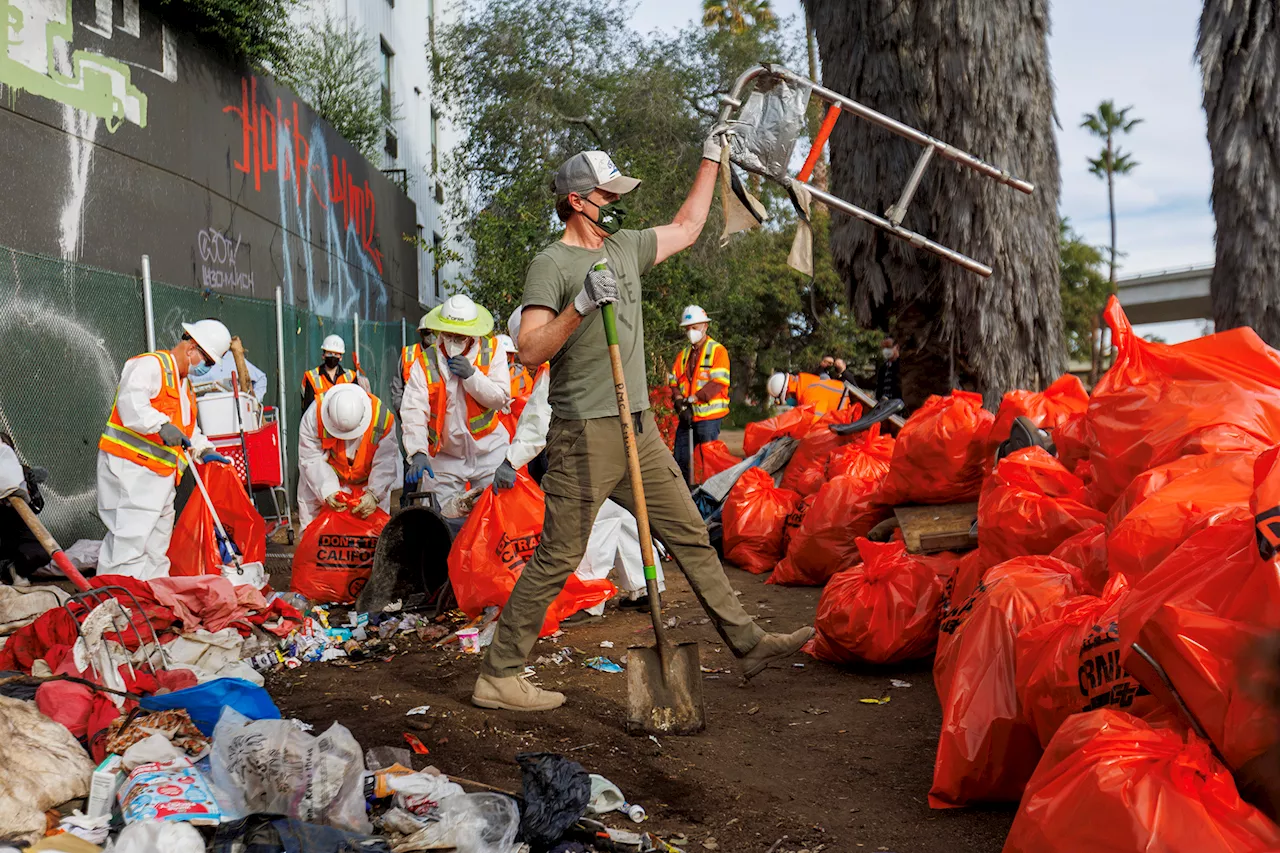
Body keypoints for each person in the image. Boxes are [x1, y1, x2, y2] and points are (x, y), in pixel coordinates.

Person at [473, 145, 813, 712]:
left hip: (641, 430)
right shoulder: (552, 265)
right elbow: (529, 349)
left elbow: (688, 224)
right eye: (607, 196)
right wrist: (580, 305)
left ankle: (748, 644)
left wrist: (709, 158)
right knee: (558, 556)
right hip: (584, 434)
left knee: (690, 535)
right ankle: (499, 674)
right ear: (577, 202)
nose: (616, 203)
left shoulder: (626, 248)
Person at [96, 319, 234, 580]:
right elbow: (131, 404)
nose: (207, 368)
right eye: (208, 361)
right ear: (192, 347)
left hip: (160, 478)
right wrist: (159, 424)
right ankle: (119, 601)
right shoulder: (151, 365)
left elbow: (187, 430)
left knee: (156, 548)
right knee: (129, 544)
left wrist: (203, 449)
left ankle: (152, 600)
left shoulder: (185, 385)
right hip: (132, 472)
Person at [400, 294, 512, 506]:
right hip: (445, 456)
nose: (453, 342)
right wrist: (418, 452)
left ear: (472, 335)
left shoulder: (492, 350)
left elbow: (500, 399)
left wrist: (472, 376)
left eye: (460, 337)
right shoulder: (425, 362)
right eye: (449, 335)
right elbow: (414, 410)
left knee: (495, 514)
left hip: (489, 450)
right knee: (440, 518)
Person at [296, 384, 401, 529]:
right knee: (312, 524)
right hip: (328, 475)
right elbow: (310, 458)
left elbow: (385, 461)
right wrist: (328, 489)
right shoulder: (314, 415)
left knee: (374, 528)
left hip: (368, 481)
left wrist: (374, 494)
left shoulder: (381, 418)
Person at [668, 304, 731, 484]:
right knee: (681, 458)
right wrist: (679, 401)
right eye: (687, 328)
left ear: (705, 326)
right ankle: (685, 496)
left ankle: (708, 496)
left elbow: (718, 383)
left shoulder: (718, 351)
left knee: (708, 461)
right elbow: (674, 382)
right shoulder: (684, 355)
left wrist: (693, 399)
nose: (690, 332)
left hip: (708, 418)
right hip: (687, 416)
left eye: (694, 328)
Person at [0, 435, 48, 585]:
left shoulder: (21, 475)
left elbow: (37, 507)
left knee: (42, 552)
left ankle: (14, 569)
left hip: (16, 530)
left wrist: (30, 486)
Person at [301, 334, 368, 413]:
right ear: (323, 355)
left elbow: (356, 403)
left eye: (336, 354)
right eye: (329, 353)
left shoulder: (350, 376)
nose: (332, 356)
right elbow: (308, 409)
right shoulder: (311, 377)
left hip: (345, 421)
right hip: (320, 422)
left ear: (340, 357)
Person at [195, 340, 268, 401]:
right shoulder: (196, 360)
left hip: (235, 412)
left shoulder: (233, 358)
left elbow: (261, 379)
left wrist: (253, 402)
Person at [765, 370, 848, 414]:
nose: (788, 401)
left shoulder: (808, 395)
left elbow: (815, 425)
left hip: (847, 414)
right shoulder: (806, 384)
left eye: (786, 398)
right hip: (846, 412)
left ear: (789, 391)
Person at [874, 337, 902, 402]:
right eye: (884, 348)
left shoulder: (902, 366)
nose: (886, 350)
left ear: (897, 347)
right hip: (885, 405)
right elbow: (879, 387)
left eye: (888, 347)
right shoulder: (883, 368)